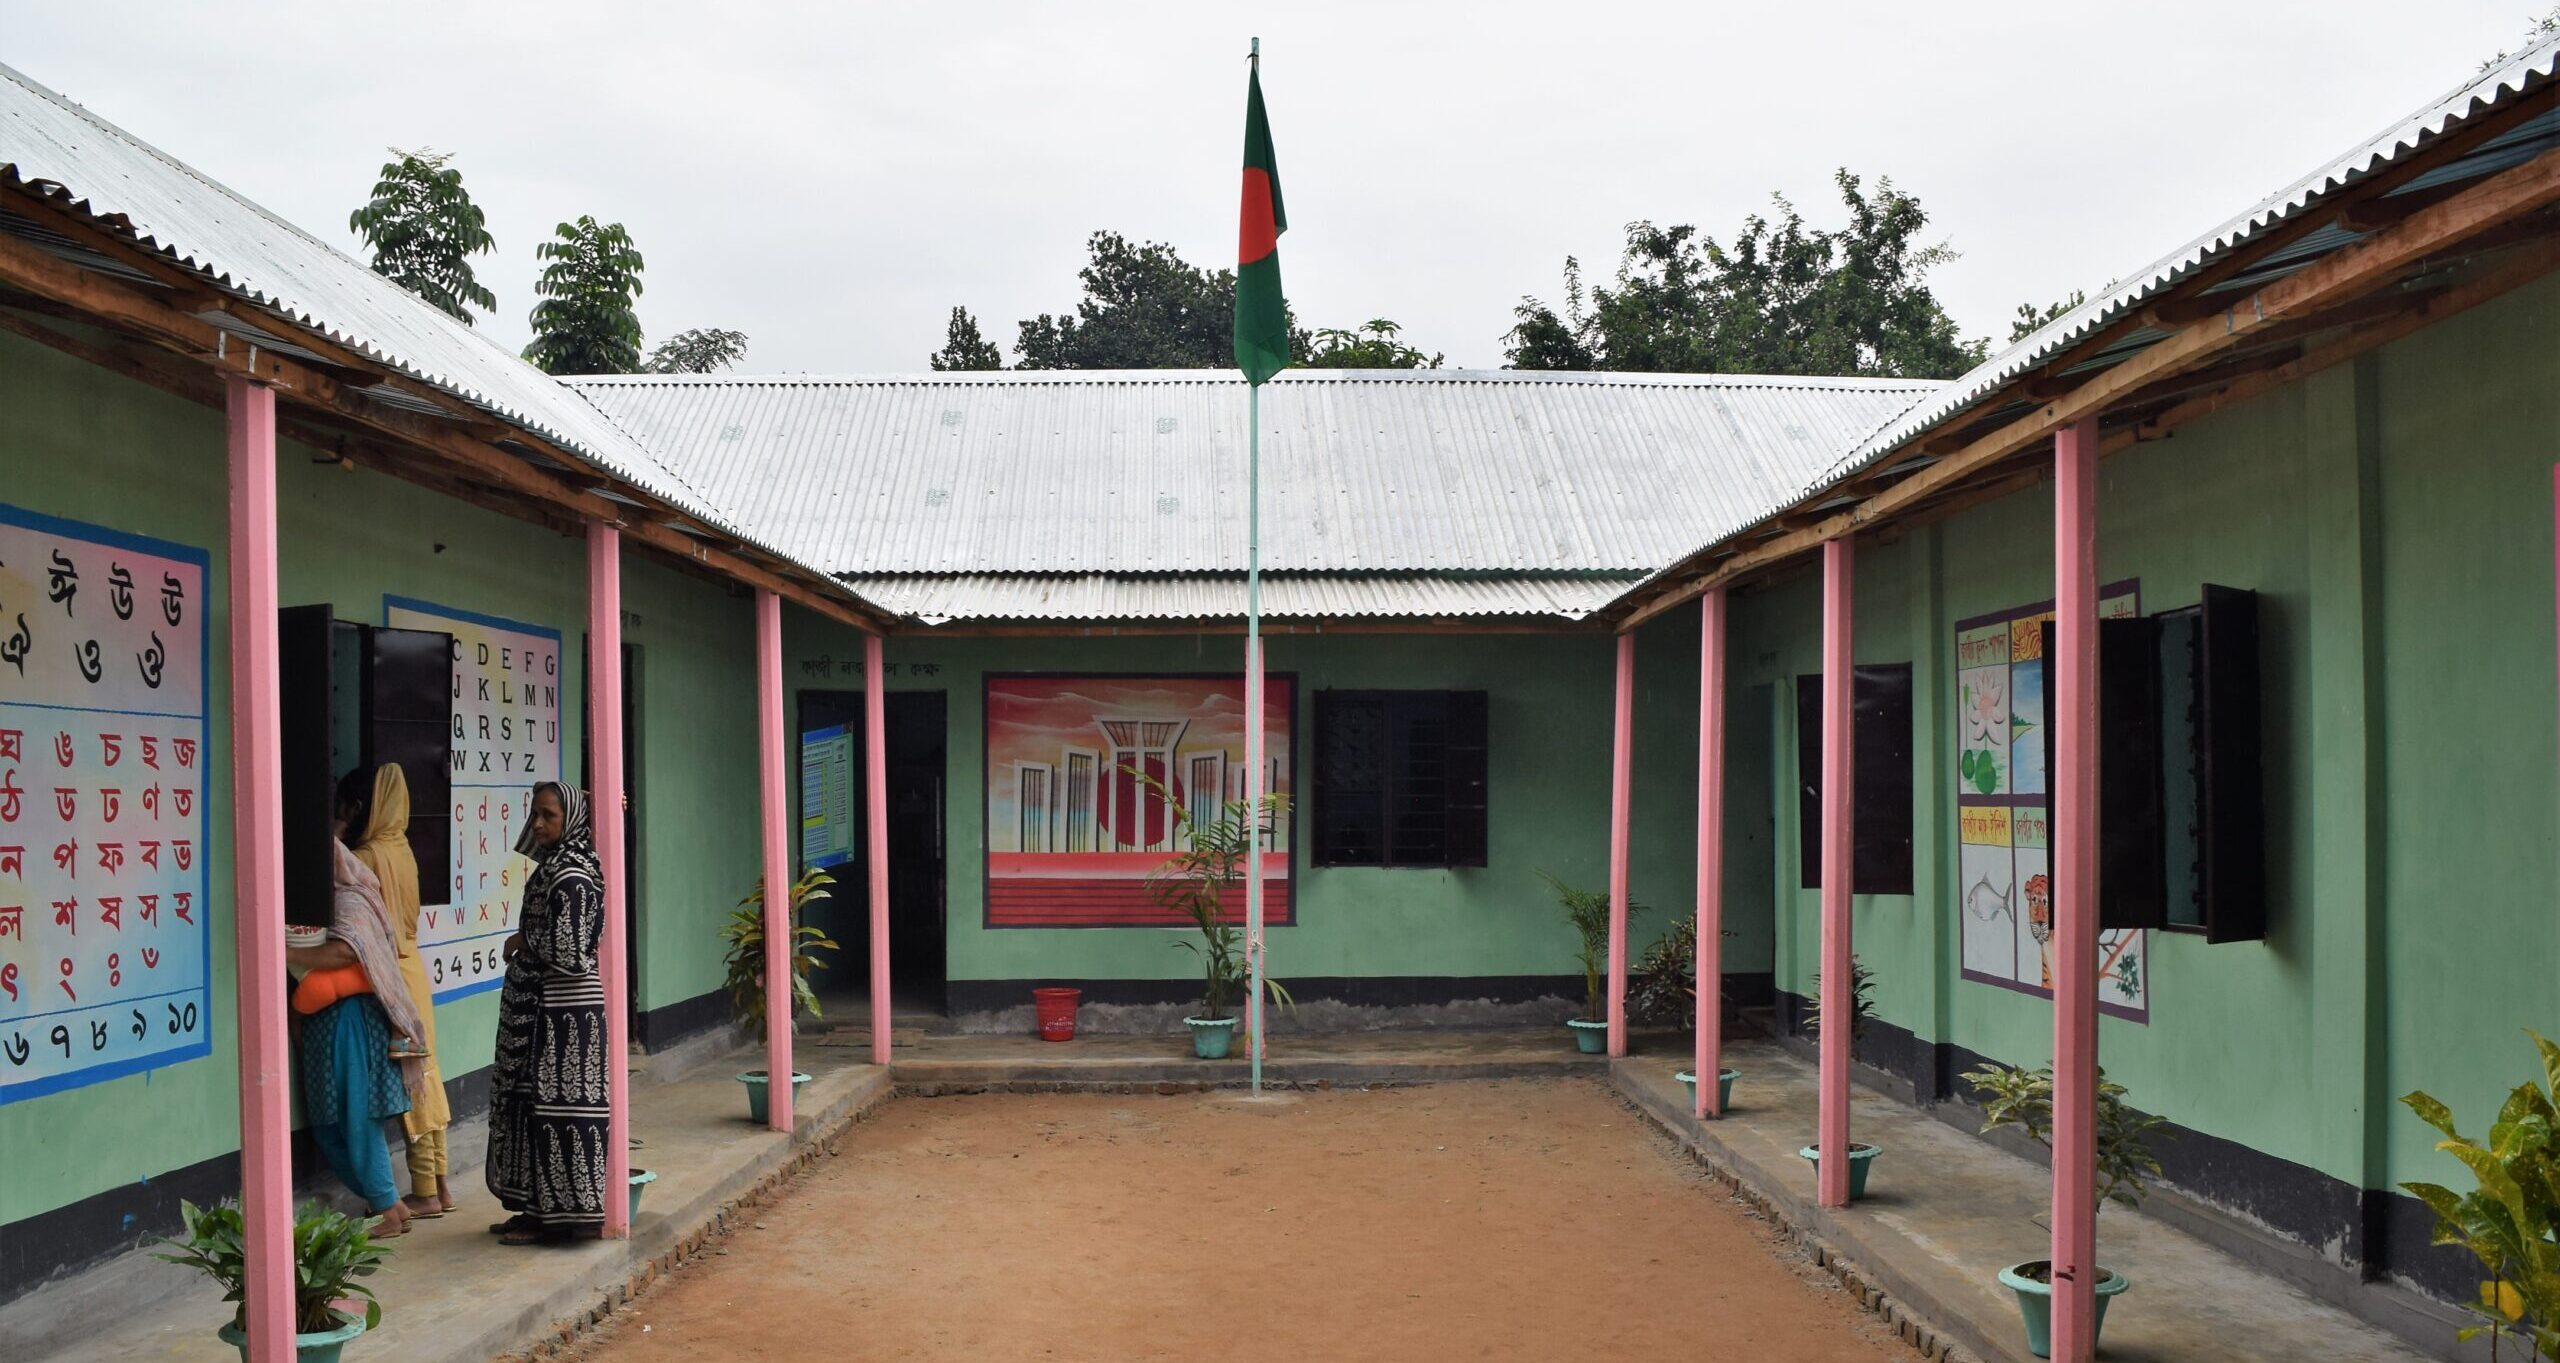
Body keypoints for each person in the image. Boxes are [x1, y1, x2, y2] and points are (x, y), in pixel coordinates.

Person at [286, 824, 429, 1238]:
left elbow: (348, 949)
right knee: (329, 1123)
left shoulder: (352, 899)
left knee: (356, 1117)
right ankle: (390, 1203)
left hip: (350, 1020)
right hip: (321, 1026)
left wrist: (285, 951)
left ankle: (385, 1207)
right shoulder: (317, 903)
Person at [485, 782, 610, 1244]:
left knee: (557, 1116)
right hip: (542, 1012)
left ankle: (556, 1219)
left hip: (564, 1017)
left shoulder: (572, 872)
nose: (537, 824)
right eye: (534, 813)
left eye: (547, 816)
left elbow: (574, 951)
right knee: (529, 1107)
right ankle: (534, 1209)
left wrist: (522, 942)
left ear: (571, 820)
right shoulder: (556, 864)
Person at [341, 764, 454, 1219]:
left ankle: (424, 1191)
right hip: (415, 969)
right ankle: (440, 1184)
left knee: (410, 1079)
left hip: (391, 974)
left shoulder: (367, 856)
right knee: (428, 1072)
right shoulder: (403, 849)